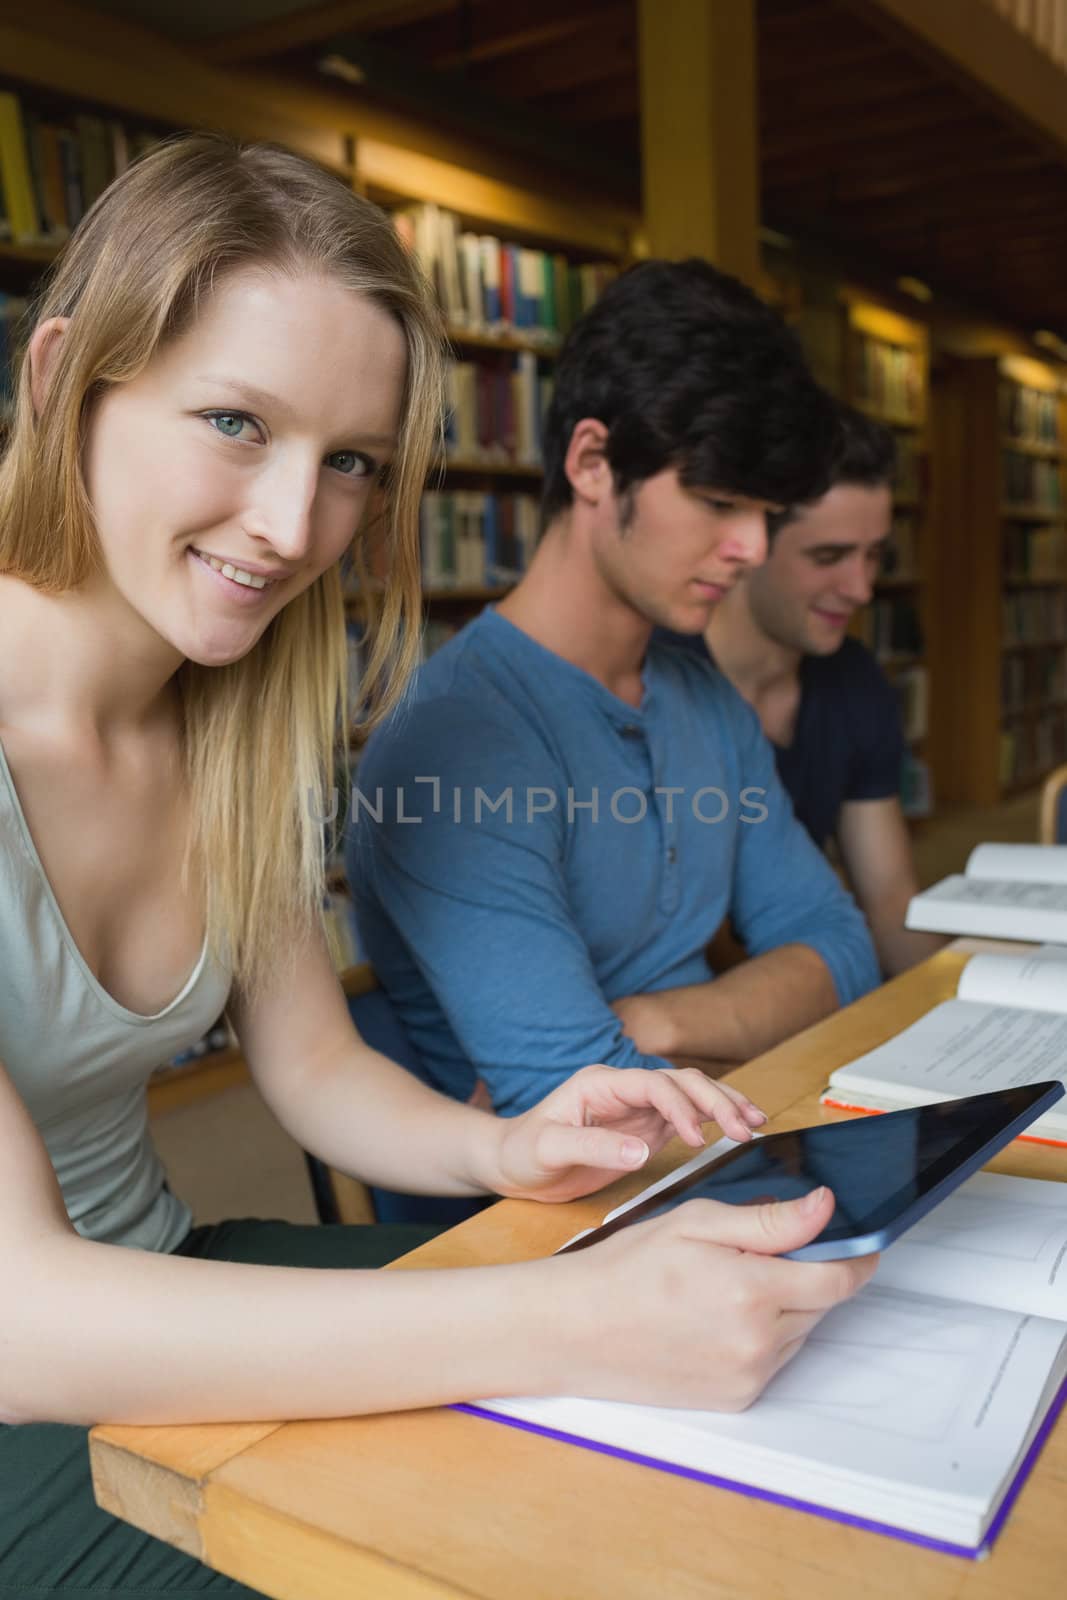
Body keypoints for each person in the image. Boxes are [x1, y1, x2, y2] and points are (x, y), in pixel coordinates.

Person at [0, 135, 877, 1600]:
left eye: (346, 462)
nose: (292, 527)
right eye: (233, 421)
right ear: (60, 381)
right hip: (41, 1370)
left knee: (667, 1467)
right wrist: (563, 1319)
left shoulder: (229, 721)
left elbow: (312, 1069)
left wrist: (500, 1151)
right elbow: (20, 1323)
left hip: (175, 1274)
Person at [350, 259, 881, 1122]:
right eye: (717, 502)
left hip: (722, 1133)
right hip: (544, 1221)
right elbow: (569, 1100)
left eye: (765, 514)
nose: (751, 547)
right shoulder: (452, 739)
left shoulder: (702, 696)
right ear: (593, 461)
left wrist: (650, 1023)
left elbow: (842, 948)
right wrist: (735, 1018)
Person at [700, 403, 947, 976]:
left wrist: (949, 1018)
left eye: (874, 555)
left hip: (805, 976)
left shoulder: (855, 679)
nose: (861, 589)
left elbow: (889, 898)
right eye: (828, 557)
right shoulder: (661, 681)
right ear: (750, 539)